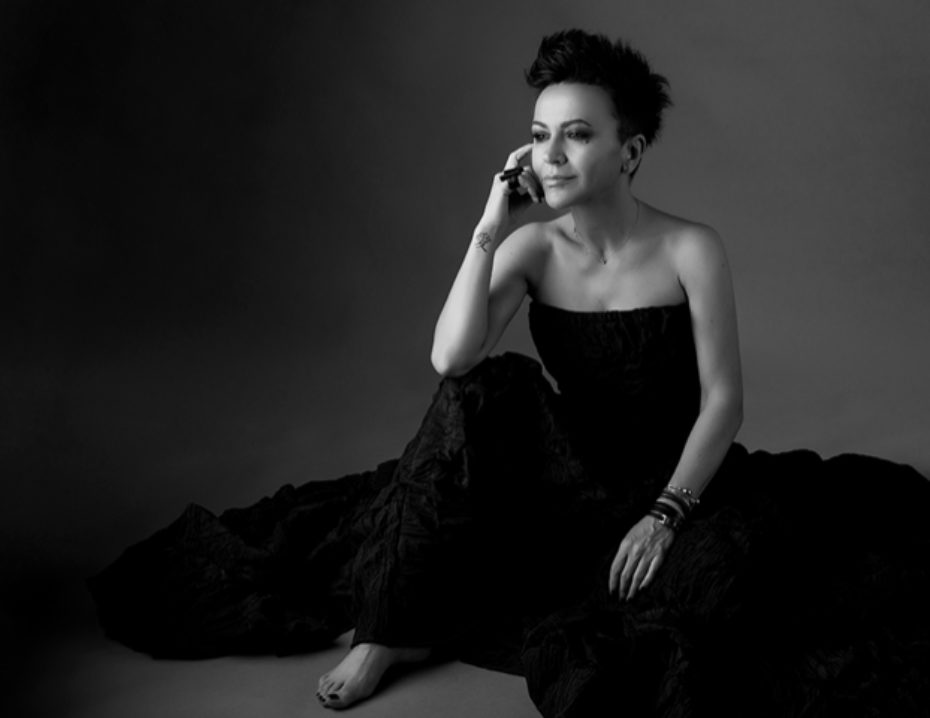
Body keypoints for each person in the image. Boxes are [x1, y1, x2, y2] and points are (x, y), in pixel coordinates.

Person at [89, 29, 930, 718]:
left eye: (578, 134)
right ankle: (387, 630)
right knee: (481, 393)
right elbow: (450, 359)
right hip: (566, 476)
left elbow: (724, 402)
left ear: (631, 151)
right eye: (539, 133)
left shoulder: (690, 249)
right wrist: (489, 227)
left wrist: (665, 516)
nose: (551, 154)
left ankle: (458, 616)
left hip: (677, 481)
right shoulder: (530, 248)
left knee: (718, 605)